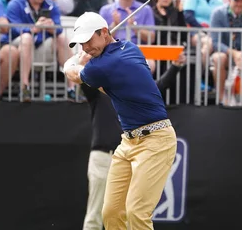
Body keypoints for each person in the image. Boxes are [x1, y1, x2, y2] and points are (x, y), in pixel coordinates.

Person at [65, 12, 177, 229]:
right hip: (128, 142)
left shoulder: (102, 66)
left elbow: (74, 74)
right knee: (111, 212)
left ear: (105, 32)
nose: (86, 47)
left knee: (137, 212)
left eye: (89, 40)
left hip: (156, 141)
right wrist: (90, 59)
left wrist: (72, 61)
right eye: (82, 43)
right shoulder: (130, 48)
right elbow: (106, 86)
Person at [79, 52, 185, 230]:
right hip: (103, 156)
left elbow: (159, 85)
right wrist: (81, 63)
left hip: (132, 155)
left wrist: (174, 67)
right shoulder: (98, 92)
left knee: (132, 212)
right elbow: (84, 78)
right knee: (99, 213)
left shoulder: (136, 94)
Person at [7, 0, 75, 101]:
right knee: (26, 38)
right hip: (18, 45)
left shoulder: (51, 5)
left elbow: (59, 28)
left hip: (42, 44)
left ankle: (72, 88)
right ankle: (24, 87)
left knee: (62, 38)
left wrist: (52, 28)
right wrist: (34, 29)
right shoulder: (15, 4)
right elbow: (13, 30)